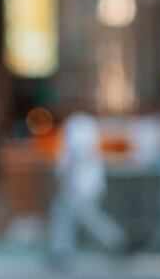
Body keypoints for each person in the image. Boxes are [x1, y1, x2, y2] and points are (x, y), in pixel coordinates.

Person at [49, 112, 125, 263]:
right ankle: (61, 251)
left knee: (86, 217)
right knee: (66, 216)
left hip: (78, 184)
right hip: (84, 183)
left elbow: (74, 156)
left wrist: (65, 178)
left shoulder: (77, 126)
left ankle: (114, 240)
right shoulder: (86, 126)